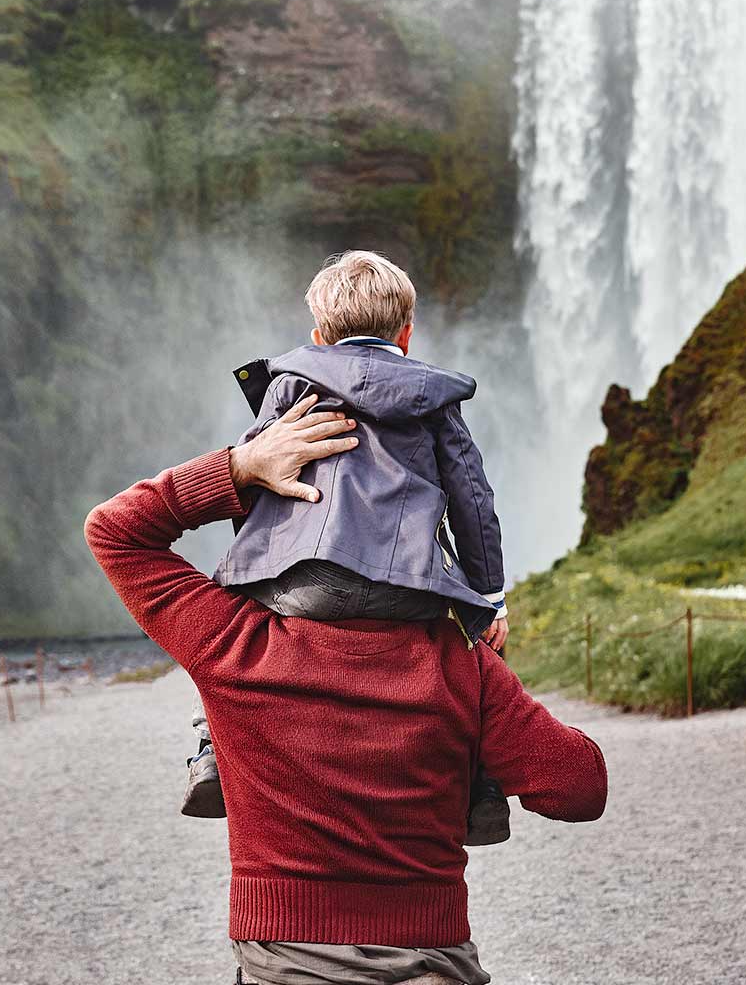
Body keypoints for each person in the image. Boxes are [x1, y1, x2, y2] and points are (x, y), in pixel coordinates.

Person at [83, 395, 608, 984]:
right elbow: (580, 789)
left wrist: (241, 466)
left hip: (284, 959)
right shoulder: (462, 664)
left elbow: (115, 531)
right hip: (430, 960)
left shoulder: (233, 644)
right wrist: (491, 678)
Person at [186, 250, 515, 846]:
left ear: (318, 336)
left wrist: (258, 567)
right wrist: (489, 597)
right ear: (407, 335)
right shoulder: (435, 399)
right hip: (409, 586)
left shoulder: (289, 385)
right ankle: (481, 787)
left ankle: (212, 753)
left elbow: (259, 477)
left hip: (303, 583)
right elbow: (472, 498)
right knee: (479, 655)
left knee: (222, 636)